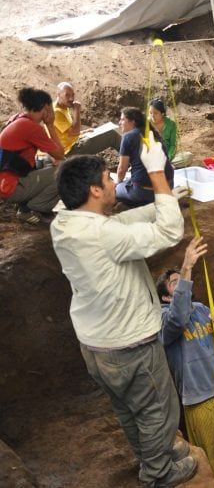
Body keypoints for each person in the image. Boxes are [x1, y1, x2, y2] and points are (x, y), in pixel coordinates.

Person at [50, 147, 195, 487]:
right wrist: (158, 175)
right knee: (158, 410)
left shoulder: (66, 223)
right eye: (108, 179)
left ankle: (151, 456)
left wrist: (165, 200)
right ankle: (159, 472)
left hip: (97, 347)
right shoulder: (104, 235)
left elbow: (118, 223)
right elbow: (169, 234)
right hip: (132, 348)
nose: (116, 182)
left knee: (129, 409)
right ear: (94, 191)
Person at [157, 236, 214, 488]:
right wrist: (186, 268)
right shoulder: (163, 321)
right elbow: (178, 318)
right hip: (198, 399)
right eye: (175, 283)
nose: (182, 284)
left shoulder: (201, 308)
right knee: (210, 451)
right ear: (166, 298)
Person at [0, 88, 66, 224]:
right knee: (67, 170)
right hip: (10, 188)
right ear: (47, 107)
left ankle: (28, 203)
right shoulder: (31, 127)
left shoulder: (18, 119)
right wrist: (50, 125)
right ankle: (31, 208)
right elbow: (60, 153)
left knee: (48, 161)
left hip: (5, 182)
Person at [116, 106, 174, 207]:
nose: (119, 123)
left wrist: (117, 184)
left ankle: (133, 204)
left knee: (115, 189)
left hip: (144, 193)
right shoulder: (154, 134)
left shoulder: (128, 136)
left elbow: (121, 169)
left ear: (132, 122)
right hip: (168, 187)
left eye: (122, 119)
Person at [52, 82, 122, 156]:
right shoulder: (56, 112)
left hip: (73, 145)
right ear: (58, 94)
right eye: (67, 95)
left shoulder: (62, 107)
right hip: (70, 152)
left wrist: (84, 132)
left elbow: (67, 133)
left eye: (73, 95)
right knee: (111, 135)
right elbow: (75, 131)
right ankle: (134, 161)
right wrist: (77, 110)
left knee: (106, 133)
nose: (71, 98)